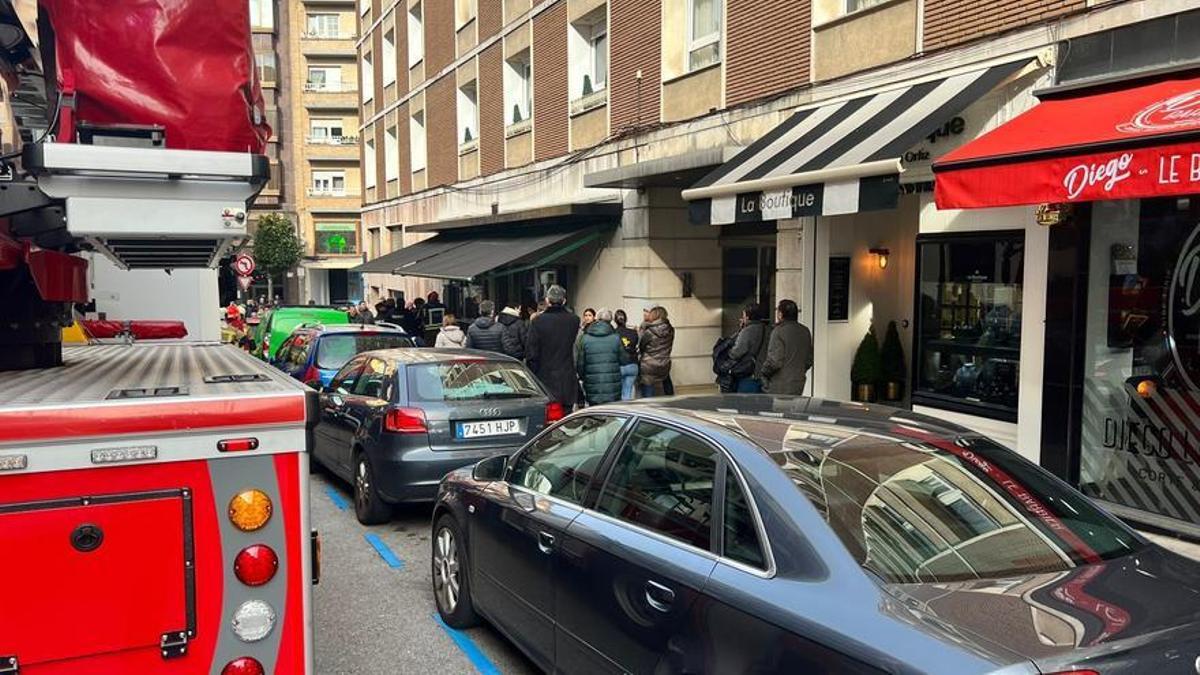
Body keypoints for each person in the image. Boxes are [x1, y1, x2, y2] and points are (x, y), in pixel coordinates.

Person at [526, 285, 581, 408]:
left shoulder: (538, 321)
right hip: (567, 377)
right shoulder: (574, 320)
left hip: (545, 378)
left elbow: (531, 353)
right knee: (566, 418)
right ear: (564, 301)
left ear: (547, 301)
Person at [760, 299, 814, 395]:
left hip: (779, 384)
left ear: (780, 314)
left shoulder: (778, 331)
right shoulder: (805, 331)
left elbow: (775, 362)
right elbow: (809, 360)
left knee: (779, 409)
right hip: (799, 382)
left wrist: (763, 372)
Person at [576, 308, 622, 406]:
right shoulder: (616, 338)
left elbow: (580, 363)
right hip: (612, 385)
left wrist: (582, 377)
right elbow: (623, 359)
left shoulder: (585, 338)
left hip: (592, 384)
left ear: (596, 319)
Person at [725, 303, 771, 393]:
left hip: (749, 376)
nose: (742, 318)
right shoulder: (769, 330)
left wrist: (729, 351)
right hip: (766, 376)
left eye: (744, 315)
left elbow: (736, 353)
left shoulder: (747, 331)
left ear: (748, 317)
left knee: (746, 404)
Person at [638, 306, 675, 398]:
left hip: (649, 364)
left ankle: (648, 406)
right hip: (664, 363)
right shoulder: (670, 329)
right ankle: (672, 401)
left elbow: (641, 345)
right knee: (666, 381)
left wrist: (642, 329)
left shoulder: (649, 331)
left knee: (647, 386)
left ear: (655, 315)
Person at [614, 309, 639, 401]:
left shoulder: (613, 333)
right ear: (626, 319)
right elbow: (636, 344)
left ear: (615, 320)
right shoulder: (633, 332)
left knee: (619, 393)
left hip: (619, 365)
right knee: (628, 393)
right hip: (632, 364)